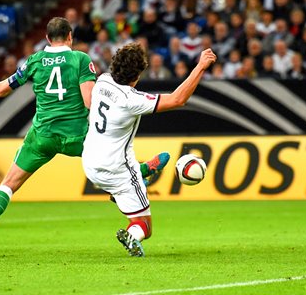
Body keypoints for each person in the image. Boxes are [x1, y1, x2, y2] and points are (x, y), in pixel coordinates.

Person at [0, 17, 168, 257]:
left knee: (9, 184)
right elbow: (89, 101)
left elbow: (0, 89)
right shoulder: (80, 59)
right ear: (70, 36)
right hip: (78, 136)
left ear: (47, 38)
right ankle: (138, 172)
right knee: (108, 163)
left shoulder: (34, 61)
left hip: (42, 136)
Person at [82, 43, 217, 256]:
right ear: (137, 75)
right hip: (116, 170)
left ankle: (140, 172)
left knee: (124, 179)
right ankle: (132, 235)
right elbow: (177, 99)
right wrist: (200, 66)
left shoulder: (102, 81)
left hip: (89, 163)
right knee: (144, 224)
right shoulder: (130, 99)